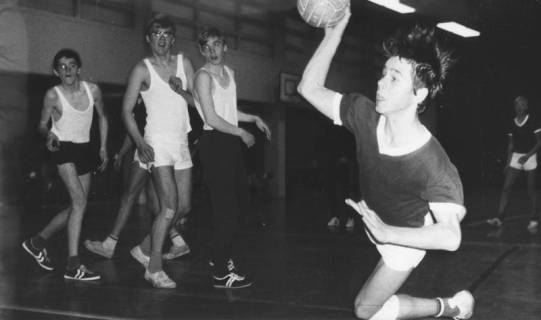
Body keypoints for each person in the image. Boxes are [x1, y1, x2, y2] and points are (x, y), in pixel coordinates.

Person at [297, 7, 474, 320]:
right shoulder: (364, 114)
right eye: (383, 74)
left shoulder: (433, 164)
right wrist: (334, 35)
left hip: (404, 237)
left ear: (418, 94)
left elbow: (450, 237)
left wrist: (388, 233)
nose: (381, 83)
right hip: (378, 221)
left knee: (365, 311)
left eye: (394, 78)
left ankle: (451, 306)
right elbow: (308, 89)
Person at [192, 26, 271, 289]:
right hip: (214, 143)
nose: (212, 50)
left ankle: (219, 259)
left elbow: (228, 110)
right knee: (226, 210)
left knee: (239, 207)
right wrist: (242, 133)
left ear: (225, 46)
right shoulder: (202, 77)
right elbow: (212, 118)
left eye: (217, 44)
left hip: (229, 142)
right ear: (202, 50)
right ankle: (220, 273)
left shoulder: (230, 73)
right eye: (207, 46)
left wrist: (254, 118)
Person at [22, 48, 108, 281]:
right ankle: (73, 265)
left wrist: (103, 148)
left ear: (79, 68)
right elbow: (41, 124)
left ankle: (36, 242)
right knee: (79, 202)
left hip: (86, 150)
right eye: (62, 66)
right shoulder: (53, 95)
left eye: (71, 65)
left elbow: (103, 117)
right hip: (63, 150)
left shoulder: (93, 91)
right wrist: (49, 133)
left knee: (76, 207)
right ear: (56, 71)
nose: (67, 69)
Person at [122, 15, 195, 289]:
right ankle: (153, 268)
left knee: (184, 206)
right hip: (156, 143)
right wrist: (140, 142)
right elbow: (126, 111)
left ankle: (142, 248)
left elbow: (197, 102)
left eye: (166, 34)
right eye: (156, 33)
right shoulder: (142, 69)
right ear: (148, 39)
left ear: (173, 39)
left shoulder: (183, 63)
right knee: (168, 208)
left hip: (181, 141)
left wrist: (181, 90)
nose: (161, 38)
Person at [487, 95, 541, 230]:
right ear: (514, 107)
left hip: (530, 156)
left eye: (522, 104)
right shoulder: (512, 123)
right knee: (506, 187)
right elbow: (510, 145)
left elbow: (539, 142)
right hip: (516, 157)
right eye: (517, 105)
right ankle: (500, 218)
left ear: (526, 107)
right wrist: (508, 162)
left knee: (531, 189)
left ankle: (534, 218)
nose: (519, 107)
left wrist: (528, 156)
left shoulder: (533, 121)